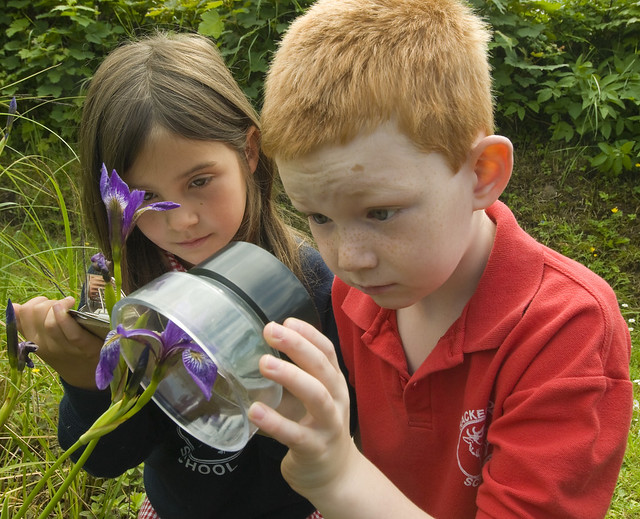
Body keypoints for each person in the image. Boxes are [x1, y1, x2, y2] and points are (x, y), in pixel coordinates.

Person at [246, 1, 634, 518]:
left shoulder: (566, 330)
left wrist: (339, 476)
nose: (349, 258)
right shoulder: (357, 295)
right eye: (318, 217)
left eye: (381, 212)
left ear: (481, 173)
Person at [13, 32, 337, 519]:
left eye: (200, 181)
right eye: (143, 198)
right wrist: (85, 382)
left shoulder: (310, 284)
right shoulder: (121, 293)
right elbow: (104, 458)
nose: (180, 219)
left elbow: (352, 440)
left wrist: (279, 408)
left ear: (249, 152)